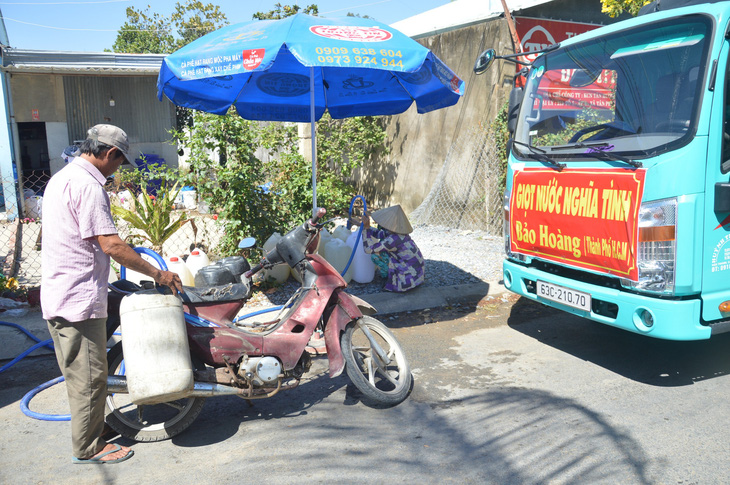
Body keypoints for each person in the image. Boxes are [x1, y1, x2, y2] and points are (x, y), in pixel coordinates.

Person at [41, 124, 185, 465]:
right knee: (90, 378)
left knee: (82, 374)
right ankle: (89, 447)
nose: (118, 169)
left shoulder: (61, 178)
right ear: (109, 154)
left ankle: (94, 427)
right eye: (119, 162)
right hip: (78, 299)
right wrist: (157, 273)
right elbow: (111, 245)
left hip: (60, 293)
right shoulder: (88, 186)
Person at [360, 205, 425, 292]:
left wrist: (366, 229)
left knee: (376, 255)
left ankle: (390, 279)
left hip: (409, 276)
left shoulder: (393, 240)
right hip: (418, 274)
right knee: (384, 253)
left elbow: (368, 249)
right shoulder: (399, 234)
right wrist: (362, 226)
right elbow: (379, 234)